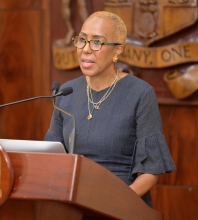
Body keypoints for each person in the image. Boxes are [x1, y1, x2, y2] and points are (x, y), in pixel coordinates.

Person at [45, 11, 176, 206]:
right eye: (82, 39)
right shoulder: (66, 92)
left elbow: (151, 172)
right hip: (74, 203)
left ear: (117, 50)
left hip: (122, 204)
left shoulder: (140, 93)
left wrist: (114, 202)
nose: (86, 49)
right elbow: (49, 156)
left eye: (97, 42)